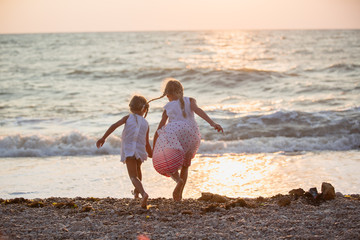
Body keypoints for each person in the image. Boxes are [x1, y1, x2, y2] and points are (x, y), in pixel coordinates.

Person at [149, 78, 223, 201]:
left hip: (175, 132)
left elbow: (160, 127)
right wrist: (213, 123)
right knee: (185, 165)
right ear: (181, 91)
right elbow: (199, 111)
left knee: (169, 160)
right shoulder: (190, 100)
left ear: (167, 95)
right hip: (192, 135)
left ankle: (178, 181)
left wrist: (154, 146)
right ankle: (180, 194)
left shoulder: (167, 106)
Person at [96, 95, 152, 208]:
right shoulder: (146, 123)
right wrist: (151, 153)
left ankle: (143, 193)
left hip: (130, 150)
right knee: (138, 170)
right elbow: (146, 142)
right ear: (145, 109)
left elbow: (114, 126)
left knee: (133, 176)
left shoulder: (128, 118)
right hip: (140, 151)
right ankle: (136, 193)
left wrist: (103, 137)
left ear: (131, 107)